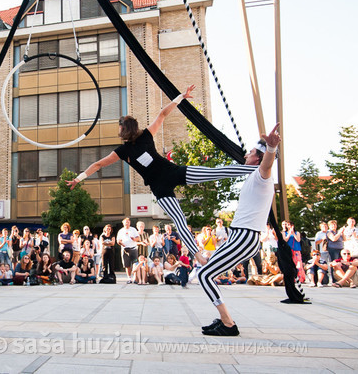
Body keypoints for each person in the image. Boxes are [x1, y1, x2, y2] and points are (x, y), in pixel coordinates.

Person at [66, 85, 257, 266]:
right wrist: (180, 97)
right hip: (165, 181)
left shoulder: (132, 144)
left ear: (124, 130)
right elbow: (162, 114)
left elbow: (99, 164)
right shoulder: (136, 141)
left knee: (206, 183)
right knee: (182, 218)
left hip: (168, 177)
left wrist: (181, 97)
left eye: (119, 128)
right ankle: (198, 256)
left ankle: (252, 168)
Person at [197, 124, 282, 336]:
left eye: (251, 152)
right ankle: (225, 320)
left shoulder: (262, 176)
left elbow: (267, 165)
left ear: (259, 158)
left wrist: (270, 149)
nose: (246, 154)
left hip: (244, 237)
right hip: (239, 236)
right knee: (207, 271)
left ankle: (228, 323)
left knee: (205, 275)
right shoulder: (253, 177)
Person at [116, 218, 141, 283]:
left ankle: (135, 278)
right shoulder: (121, 231)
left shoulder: (133, 229)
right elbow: (118, 240)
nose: (127, 223)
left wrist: (134, 239)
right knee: (127, 265)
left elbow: (138, 238)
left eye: (128, 222)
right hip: (125, 249)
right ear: (123, 223)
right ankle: (129, 278)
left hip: (133, 249)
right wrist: (120, 243)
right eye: (125, 222)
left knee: (135, 263)